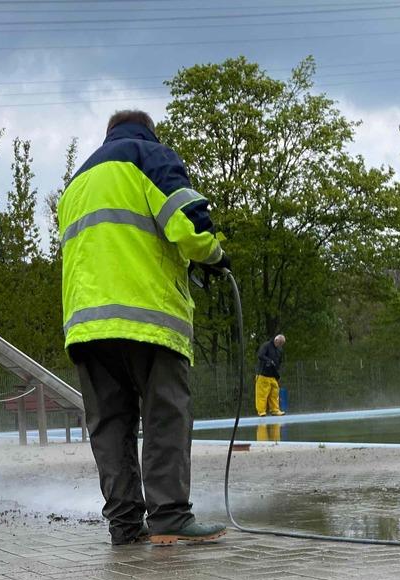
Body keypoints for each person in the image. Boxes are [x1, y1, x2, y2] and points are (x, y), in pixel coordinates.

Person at [58, 109, 229, 546]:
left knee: (110, 425)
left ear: (108, 134)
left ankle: (125, 524)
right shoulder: (150, 157)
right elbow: (188, 225)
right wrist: (212, 255)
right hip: (147, 317)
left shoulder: (76, 184)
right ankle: (170, 514)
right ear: (147, 130)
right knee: (164, 416)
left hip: (87, 326)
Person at [255, 334, 286, 416]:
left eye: (281, 344)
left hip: (273, 376)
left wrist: (277, 374)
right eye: (279, 343)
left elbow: (279, 362)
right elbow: (260, 355)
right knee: (262, 394)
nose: (280, 345)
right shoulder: (266, 345)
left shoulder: (279, 350)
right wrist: (269, 361)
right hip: (263, 375)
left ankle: (275, 410)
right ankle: (261, 411)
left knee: (275, 394)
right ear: (276, 340)